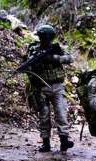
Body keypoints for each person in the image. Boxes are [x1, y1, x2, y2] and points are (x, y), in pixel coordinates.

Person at [26, 24, 74, 152]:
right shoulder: (33, 49)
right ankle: (46, 143)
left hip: (57, 86)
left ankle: (64, 140)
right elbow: (27, 64)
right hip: (41, 87)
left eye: (46, 38)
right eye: (42, 38)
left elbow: (70, 58)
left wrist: (55, 58)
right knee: (44, 115)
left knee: (61, 114)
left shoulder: (56, 48)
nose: (44, 40)